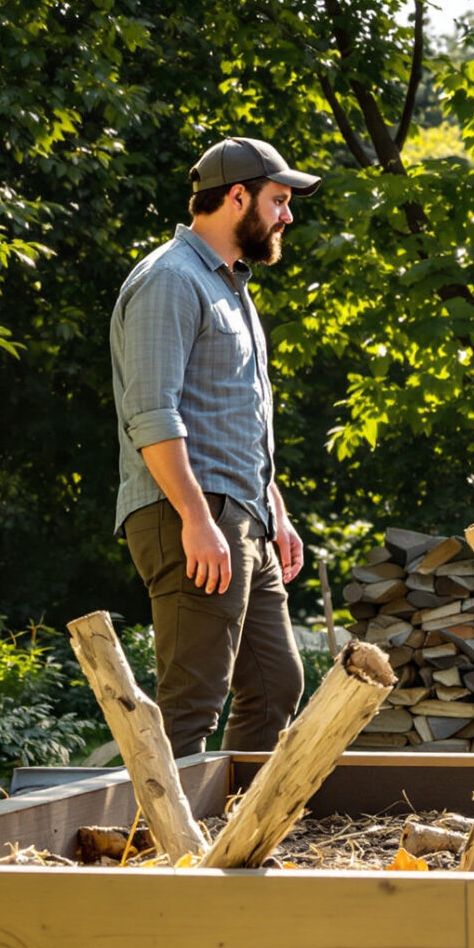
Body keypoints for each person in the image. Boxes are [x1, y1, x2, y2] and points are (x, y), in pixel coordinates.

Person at [109, 136, 319, 755]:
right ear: (236, 197)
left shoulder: (232, 288)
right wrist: (196, 520)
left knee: (278, 684)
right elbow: (152, 415)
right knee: (192, 704)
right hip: (190, 516)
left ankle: (237, 844)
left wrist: (275, 511)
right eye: (278, 200)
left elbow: (238, 419)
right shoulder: (169, 281)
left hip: (244, 517)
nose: (287, 216)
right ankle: (167, 849)